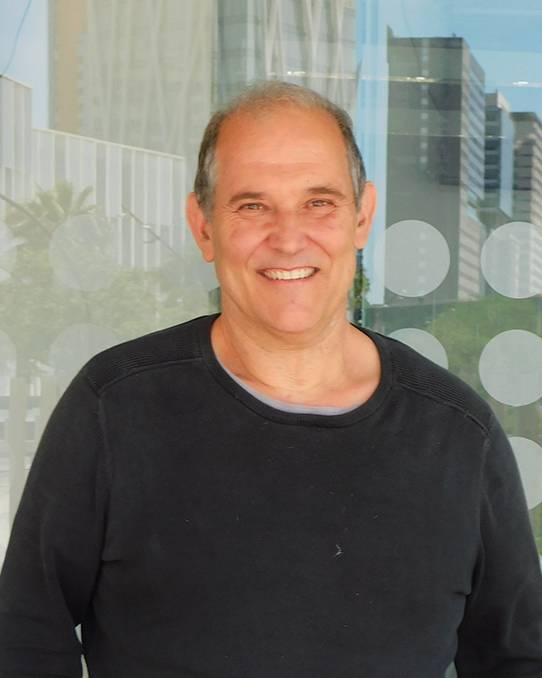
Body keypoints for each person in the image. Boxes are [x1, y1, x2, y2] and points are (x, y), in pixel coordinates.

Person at [0, 81, 541, 678]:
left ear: (362, 217)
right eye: (252, 206)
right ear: (204, 226)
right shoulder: (114, 406)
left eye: (319, 202)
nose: (287, 238)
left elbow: (518, 659)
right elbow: (24, 637)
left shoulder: (459, 436)